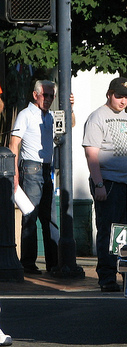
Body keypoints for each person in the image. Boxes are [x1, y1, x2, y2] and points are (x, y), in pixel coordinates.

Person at [82, 77, 127, 291]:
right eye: (119, 96)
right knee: (108, 232)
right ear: (109, 94)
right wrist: (99, 184)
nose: (123, 100)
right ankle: (107, 278)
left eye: (126, 97)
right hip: (108, 183)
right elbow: (92, 154)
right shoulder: (97, 117)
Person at [9, 80, 60, 274]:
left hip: (47, 168)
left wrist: (70, 108)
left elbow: (68, 125)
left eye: (51, 96)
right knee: (30, 215)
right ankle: (28, 264)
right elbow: (14, 144)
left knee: (50, 218)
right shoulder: (25, 114)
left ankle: (53, 263)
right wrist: (14, 172)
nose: (47, 99)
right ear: (35, 95)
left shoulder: (52, 116)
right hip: (31, 167)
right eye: (44, 95)